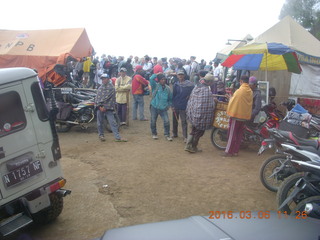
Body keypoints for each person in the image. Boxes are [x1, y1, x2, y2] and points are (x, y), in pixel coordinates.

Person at [223, 75, 253, 157]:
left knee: (232, 134)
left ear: (241, 81)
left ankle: (228, 151)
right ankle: (235, 151)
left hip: (236, 115)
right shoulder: (250, 91)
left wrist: (229, 97)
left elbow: (233, 101)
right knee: (239, 135)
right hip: (244, 116)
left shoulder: (240, 90)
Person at [185, 73, 215, 153]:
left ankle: (188, 145)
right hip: (201, 115)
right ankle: (193, 147)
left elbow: (193, 99)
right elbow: (209, 104)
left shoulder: (197, 86)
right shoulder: (206, 90)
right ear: (209, 82)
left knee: (193, 129)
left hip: (193, 112)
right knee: (199, 131)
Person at [95, 74, 127, 142]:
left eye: (104, 79)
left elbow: (111, 99)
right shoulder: (100, 88)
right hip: (100, 107)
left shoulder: (112, 88)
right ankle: (101, 135)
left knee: (113, 122)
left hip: (108, 108)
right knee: (99, 123)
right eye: (102, 79)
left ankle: (117, 137)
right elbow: (97, 98)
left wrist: (105, 107)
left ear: (108, 79)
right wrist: (100, 106)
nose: (103, 80)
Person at [172, 70, 195, 142]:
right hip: (176, 104)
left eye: (181, 75)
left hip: (184, 105)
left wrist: (190, 96)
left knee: (184, 121)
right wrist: (172, 105)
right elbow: (174, 95)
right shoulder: (176, 84)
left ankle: (185, 136)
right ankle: (175, 134)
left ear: (184, 75)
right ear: (177, 76)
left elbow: (194, 92)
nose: (180, 76)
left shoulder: (190, 85)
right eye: (179, 75)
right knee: (175, 120)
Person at [149, 73, 173, 141]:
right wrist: (157, 74)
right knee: (153, 121)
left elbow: (170, 99)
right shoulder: (155, 86)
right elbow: (151, 79)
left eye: (164, 79)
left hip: (163, 108)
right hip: (154, 106)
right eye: (162, 79)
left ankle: (167, 134)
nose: (163, 80)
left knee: (167, 121)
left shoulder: (168, 88)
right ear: (159, 80)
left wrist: (168, 105)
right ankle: (154, 134)